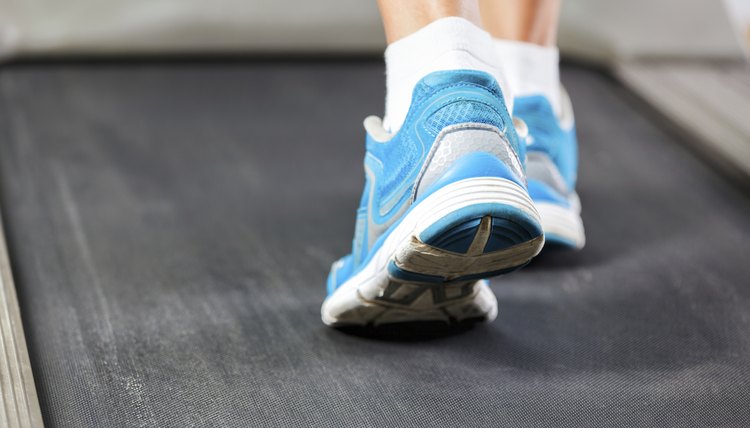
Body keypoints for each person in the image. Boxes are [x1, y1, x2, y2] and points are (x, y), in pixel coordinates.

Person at [322, 0, 585, 327]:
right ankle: (521, 122)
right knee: (522, 70)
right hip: (502, 143)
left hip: (437, 141)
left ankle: (442, 89)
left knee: (442, 59)